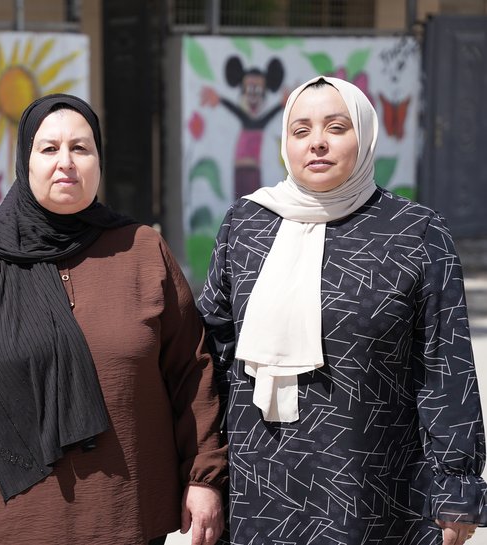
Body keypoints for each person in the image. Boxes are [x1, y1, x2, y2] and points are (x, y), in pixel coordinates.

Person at [0, 93, 227, 545]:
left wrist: (204, 477)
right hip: (12, 527)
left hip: (131, 520)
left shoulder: (141, 251)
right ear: (25, 160)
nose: (66, 163)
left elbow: (192, 374)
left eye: (81, 148)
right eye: (49, 148)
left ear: (98, 161)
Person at [197, 75, 487, 545]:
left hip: (374, 489)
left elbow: (446, 368)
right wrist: (202, 474)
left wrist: (456, 489)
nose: (317, 143)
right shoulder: (246, 225)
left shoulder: (415, 233)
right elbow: (210, 357)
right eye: (301, 130)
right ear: (285, 144)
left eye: (336, 127)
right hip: (258, 487)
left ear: (365, 135)